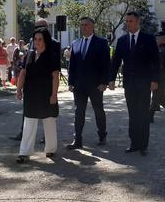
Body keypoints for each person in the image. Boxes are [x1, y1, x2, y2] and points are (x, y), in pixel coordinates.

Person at [109, 11, 160, 155]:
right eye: (127, 21)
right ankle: (134, 143)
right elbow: (116, 61)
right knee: (132, 114)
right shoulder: (122, 40)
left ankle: (143, 145)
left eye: (131, 21)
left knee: (143, 114)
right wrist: (111, 78)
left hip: (144, 84)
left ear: (138, 22)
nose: (128, 23)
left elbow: (155, 61)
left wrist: (155, 80)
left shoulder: (148, 39)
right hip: (129, 84)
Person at [15, 27, 60, 163]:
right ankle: (24, 152)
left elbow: (55, 76)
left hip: (47, 94)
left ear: (45, 40)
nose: (37, 42)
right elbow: (23, 73)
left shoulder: (51, 55)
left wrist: (54, 95)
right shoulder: (29, 54)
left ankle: (50, 149)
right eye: (35, 39)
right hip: (31, 94)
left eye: (40, 39)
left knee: (49, 121)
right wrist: (18, 90)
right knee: (29, 121)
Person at [66, 17, 110, 150]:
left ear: (92, 27)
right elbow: (72, 65)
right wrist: (71, 82)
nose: (83, 27)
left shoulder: (101, 43)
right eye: (82, 25)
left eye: (86, 25)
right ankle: (77, 139)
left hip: (96, 85)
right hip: (79, 85)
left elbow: (106, 64)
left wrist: (104, 82)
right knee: (79, 112)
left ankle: (102, 135)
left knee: (98, 111)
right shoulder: (76, 43)